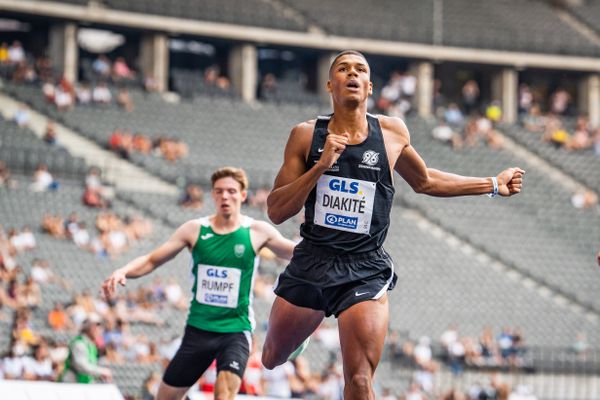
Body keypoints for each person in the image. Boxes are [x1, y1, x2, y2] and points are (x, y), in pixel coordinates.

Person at [261, 50, 525, 400]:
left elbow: (426, 180)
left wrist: (492, 184)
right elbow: (276, 210)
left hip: (364, 268)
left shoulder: (391, 133)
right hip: (312, 260)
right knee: (271, 358)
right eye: (343, 68)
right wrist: (320, 167)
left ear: (369, 87)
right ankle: (302, 335)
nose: (352, 73)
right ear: (330, 84)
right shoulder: (306, 136)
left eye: (361, 70)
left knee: (359, 380)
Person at [101, 167, 297, 400]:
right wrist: (123, 270)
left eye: (231, 191)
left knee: (223, 396)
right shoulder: (194, 229)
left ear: (243, 195)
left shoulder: (256, 231)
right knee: (164, 398)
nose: (225, 196)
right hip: (199, 330)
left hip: (235, 330)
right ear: (213, 195)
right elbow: (152, 259)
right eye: (219, 191)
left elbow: (296, 254)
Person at [59, 314, 112, 383]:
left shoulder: (90, 345)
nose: (99, 330)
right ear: (88, 328)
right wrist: (101, 372)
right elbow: (81, 366)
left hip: (81, 384)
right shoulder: (79, 343)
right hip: (71, 384)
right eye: (96, 327)